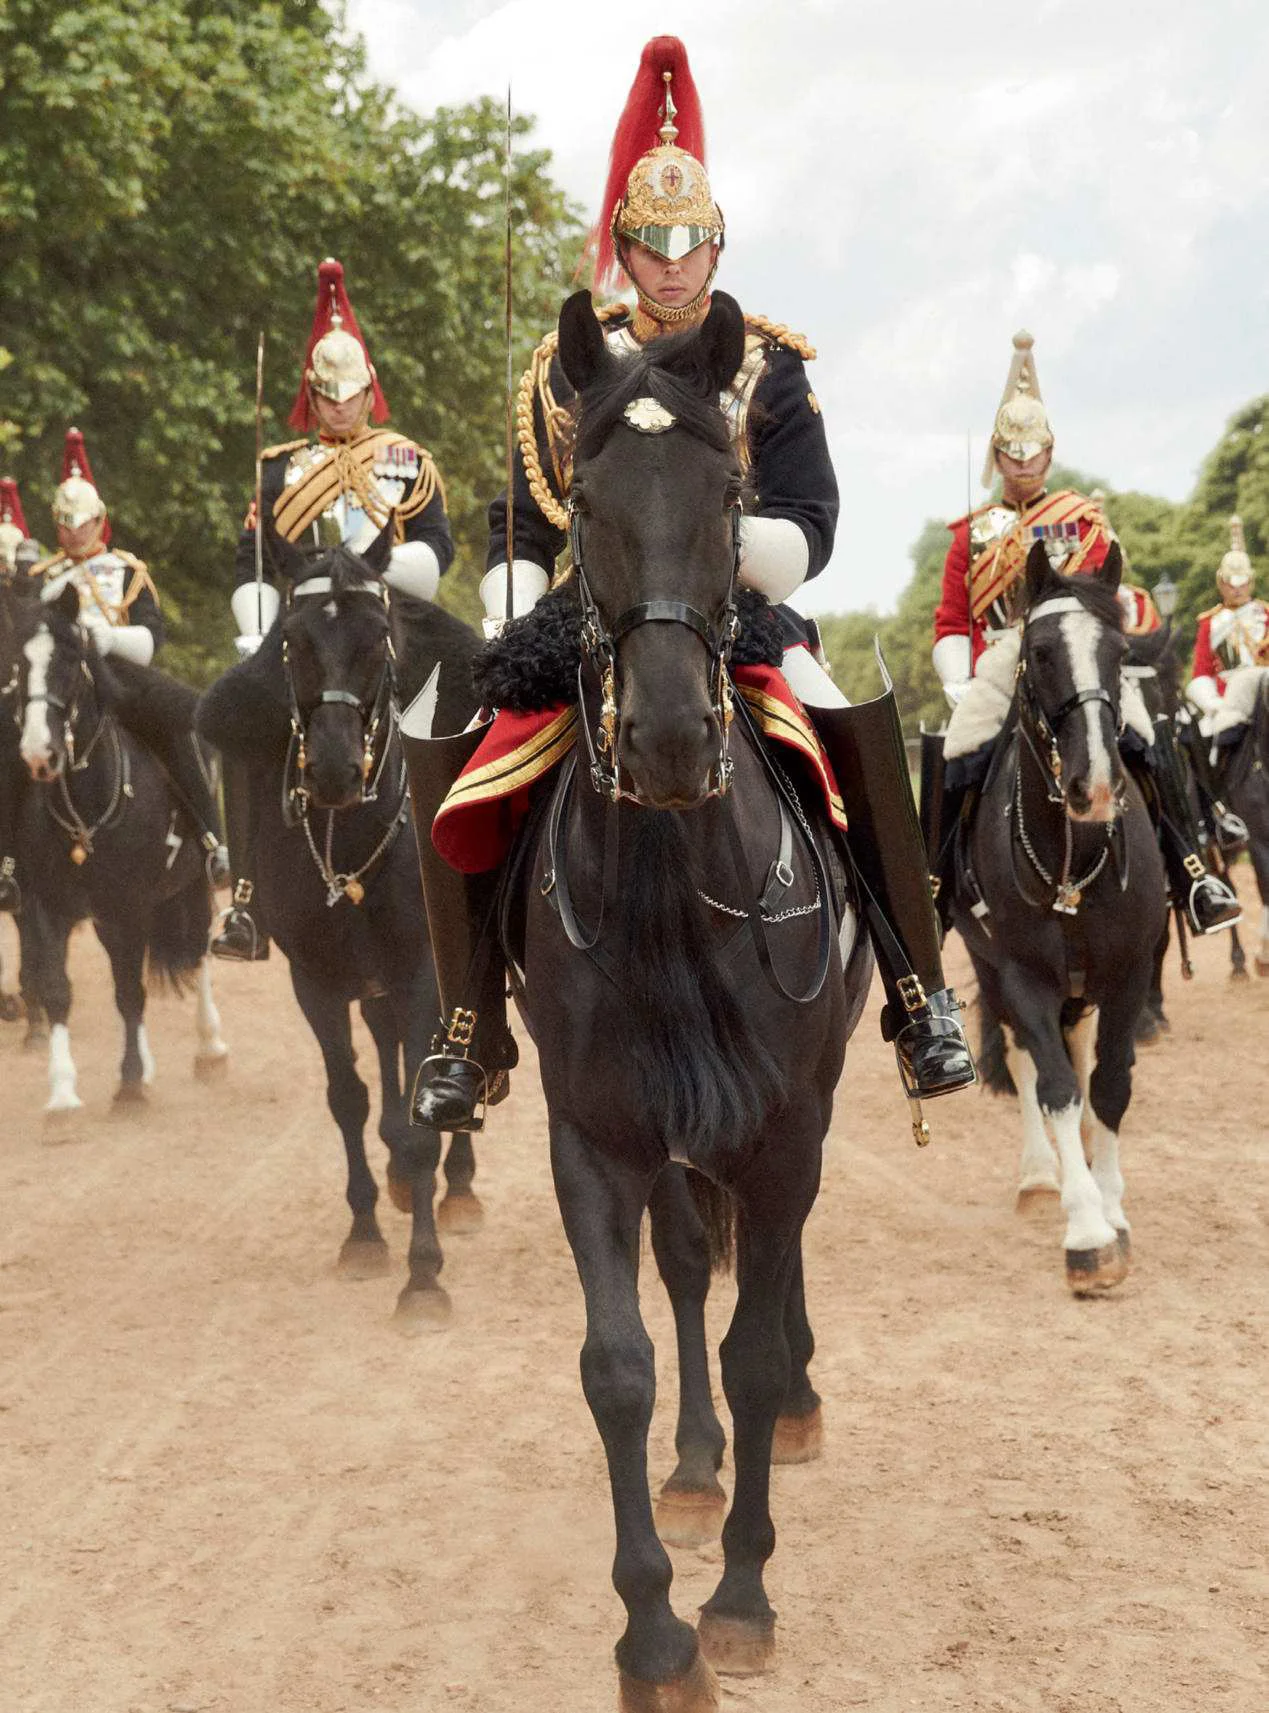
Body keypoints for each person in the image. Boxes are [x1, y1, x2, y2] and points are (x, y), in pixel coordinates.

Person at [407, 35, 975, 1132]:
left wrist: (727, 563)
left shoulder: (767, 362)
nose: (671, 263)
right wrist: (510, 596)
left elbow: (811, 518)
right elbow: (517, 511)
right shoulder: (568, 361)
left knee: (845, 721)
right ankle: (469, 1026)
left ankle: (918, 991)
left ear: (717, 247)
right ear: (623, 248)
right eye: (651, 243)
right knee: (469, 753)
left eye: (690, 242)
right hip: (593, 615)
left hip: (739, 610)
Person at [926, 335, 1239, 937]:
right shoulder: (970, 535)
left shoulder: (1082, 518)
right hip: (1003, 655)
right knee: (955, 747)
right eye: (1011, 453)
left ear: (1048, 454)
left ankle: (1192, 872)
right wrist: (957, 678)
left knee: (1150, 736)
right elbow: (951, 621)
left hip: (1079, 651)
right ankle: (935, 891)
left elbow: (1104, 595)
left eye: (1033, 452)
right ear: (998, 455)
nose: (1022, 464)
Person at [210, 257, 455, 961]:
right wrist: (256, 623)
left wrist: (394, 580)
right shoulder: (278, 468)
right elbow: (250, 559)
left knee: (474, 699)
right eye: (328, 395)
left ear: (369, 391)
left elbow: (438, 543)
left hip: (389, 616)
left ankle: (474, 885)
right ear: (311, 395)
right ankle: (246, 901)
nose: (340, 407)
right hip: (305, 626)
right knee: (233, 720)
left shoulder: (408, 461)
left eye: (351, 394)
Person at [26, 429, 228, 882]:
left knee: (187, 719)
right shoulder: (42, 577)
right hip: (58, 679)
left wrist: (109, 639)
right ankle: (12, 860)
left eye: (83, 522)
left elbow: (152, 639)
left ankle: (212, 838)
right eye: (65, 523)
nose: (74, 532)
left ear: (100, 520)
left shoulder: (126, 570)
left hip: (119, 676)